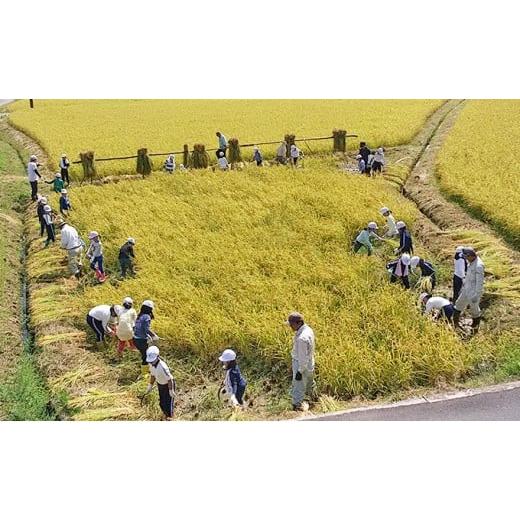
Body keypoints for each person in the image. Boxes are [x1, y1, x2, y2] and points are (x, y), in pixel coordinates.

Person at [286, 312, 315, 411]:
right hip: (309, 362)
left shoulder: (302, 338)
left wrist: (299, 371)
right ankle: (311, 400)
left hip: (301, 364)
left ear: (299, 323)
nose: (290, 326)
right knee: (309, 383)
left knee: (298, 386)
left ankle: (297, 406)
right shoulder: (308, 329)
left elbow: (302, 358)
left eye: (291, 324)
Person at [453, 247, 485, 334]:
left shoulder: (478, 266)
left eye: (466, 257)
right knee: (458, 304)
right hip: (466, 289)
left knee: (474, 310)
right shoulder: (470, 262)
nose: (466, 259)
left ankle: (475, 327)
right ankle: (454, 322)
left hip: (473, 292)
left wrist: (476, 295)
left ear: (470, 256)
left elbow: (480, 283)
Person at [143, 346, 176, 420]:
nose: (151, 362)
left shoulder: (162, 367)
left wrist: (171, 390)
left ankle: (170, 417)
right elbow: (153, 375)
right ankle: (165, 415)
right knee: (162, 403)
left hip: (168, 385)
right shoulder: (151, 364)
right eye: (150, 361)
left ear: (157, 357)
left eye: (152, 361)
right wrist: (150, 385)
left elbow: (170, 379)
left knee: (168, 404)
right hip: (160, 384)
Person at [133, 300, 159, 377]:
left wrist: (148, 336)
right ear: (150, 309)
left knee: (144, 354)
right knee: (146, 356)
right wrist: (154, 336)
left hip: (135, 339)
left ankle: (146, 369)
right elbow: (146, 329)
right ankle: (144, 374)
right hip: (141, 340)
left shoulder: (140, 315)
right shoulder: (147, 317)